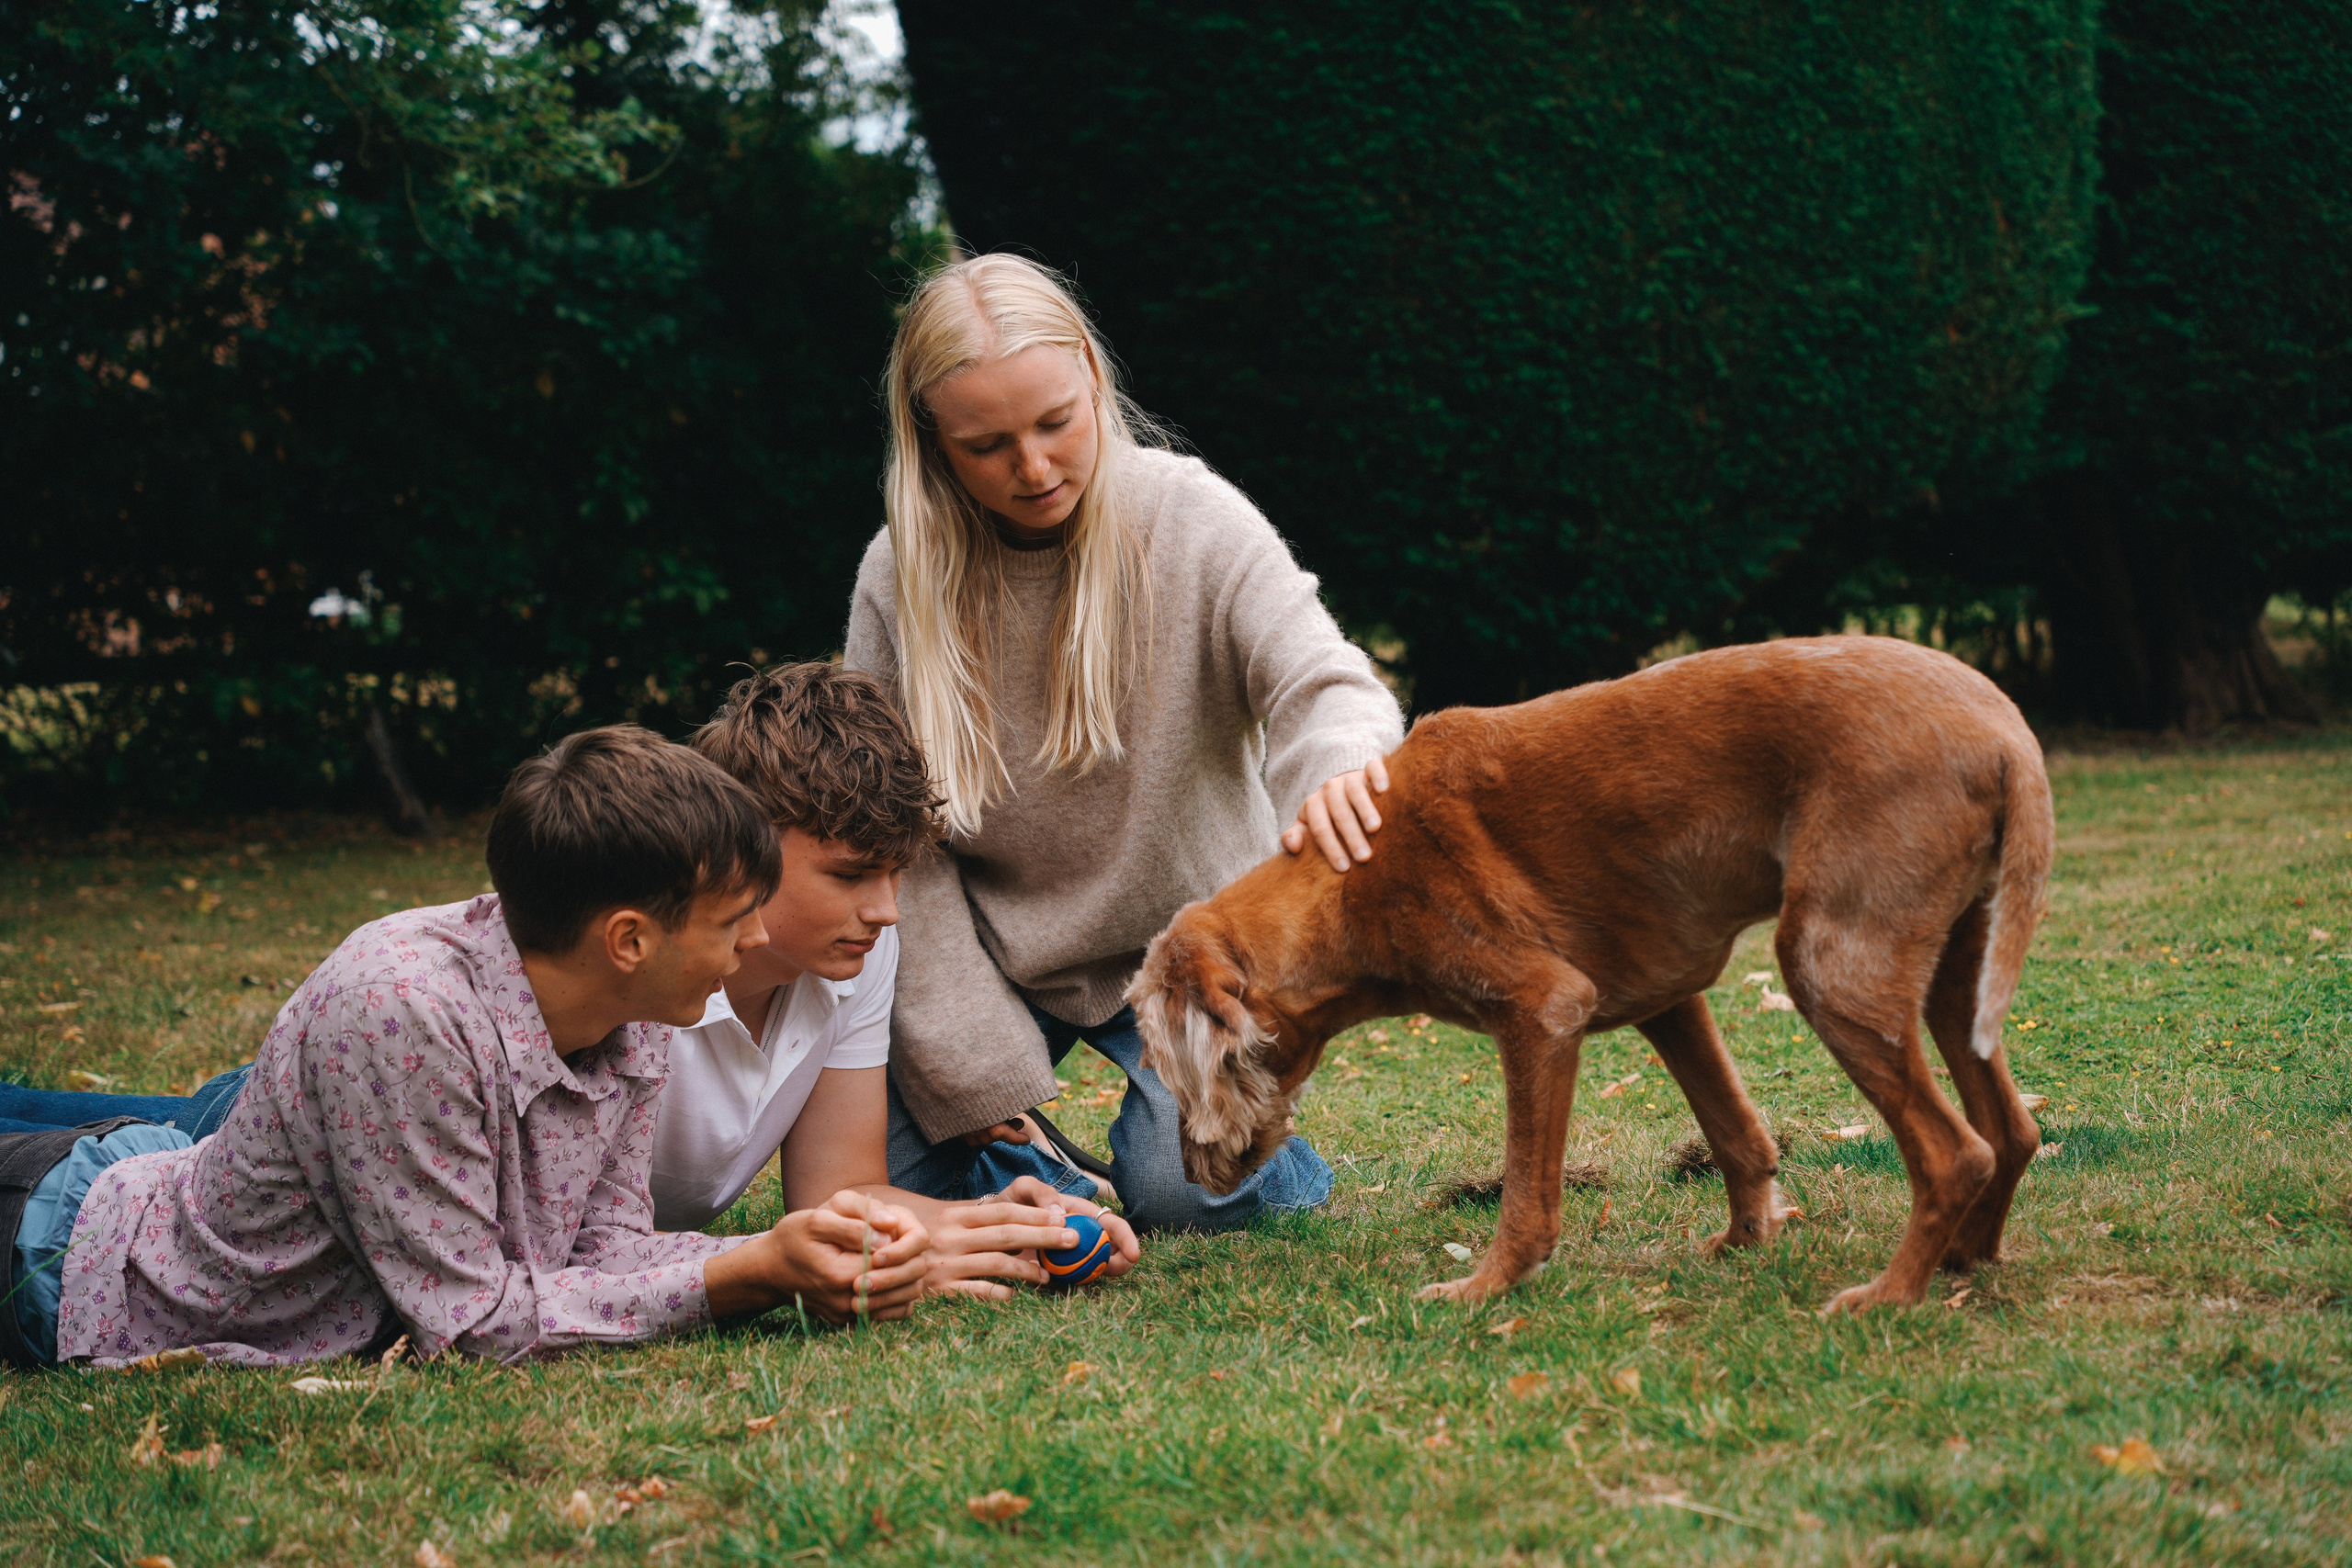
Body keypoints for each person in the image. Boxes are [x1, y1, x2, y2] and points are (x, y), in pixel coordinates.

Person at [0, 726, 1084, 1370]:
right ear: (628, 938)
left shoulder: (635, 1010)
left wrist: (819, 1252)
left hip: (149, 1171)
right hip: (72, 1265)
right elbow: (466, 1325)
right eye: (731, 923)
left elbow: (595, 1255)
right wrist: (747, 1274)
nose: (756, 943)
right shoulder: (403, 1011)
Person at [847, 252, 1406, 1230]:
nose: (1032, 467)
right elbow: (895, 835)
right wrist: (976, 1070)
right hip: (1001, 956)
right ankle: (1070, 1184)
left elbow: (1324, 682)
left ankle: (1239, 1158)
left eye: (1055, 423)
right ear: (932, 442)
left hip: (1196, 951)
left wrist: (1340, 765)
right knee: (904, 1171)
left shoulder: (1189, 515)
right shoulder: (899, 576)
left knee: (1176, 1191)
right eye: (987, 444)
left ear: (1094, 384)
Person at [650, 660, 1138, 1285]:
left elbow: (838, 1190)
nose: (885, 911)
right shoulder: (646, 971)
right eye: (849, 874)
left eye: (895, 872)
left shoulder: (855, 953)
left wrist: (991, 1223)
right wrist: (767, 1267)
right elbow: (558, 1244)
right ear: (738, 846)